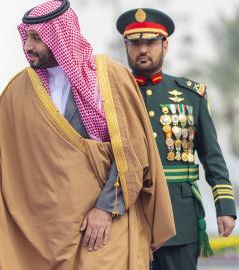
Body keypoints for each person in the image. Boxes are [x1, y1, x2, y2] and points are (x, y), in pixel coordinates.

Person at [0, 1, 175, 268]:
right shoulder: (19, 89)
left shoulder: (109, 77)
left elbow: (132, 150)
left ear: (61, 36)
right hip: (49, 232)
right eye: (26, 37)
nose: (28, 46)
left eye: (36, 38)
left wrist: (105, 209)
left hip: (107, 225)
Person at [116, 8, 237, 270]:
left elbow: (212, 156)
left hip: (179, 218)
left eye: (150, 42)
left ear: (165, 45)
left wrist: (224, 205)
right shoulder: (112, 96)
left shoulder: (191, 95)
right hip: (128, 216)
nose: (143, 49)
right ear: (126, 46)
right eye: (135, 43)